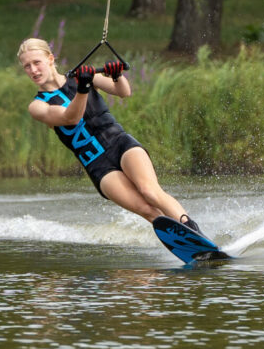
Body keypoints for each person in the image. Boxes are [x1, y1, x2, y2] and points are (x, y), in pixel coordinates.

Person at [17, 38, 207, 236]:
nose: (33, 70)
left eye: (36, 62)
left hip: (120, 143)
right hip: (97, 164)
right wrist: (83, 88)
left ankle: (196, 232)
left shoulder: (81, 77)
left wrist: (117, 76)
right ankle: (188, 245)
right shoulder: (37, 106)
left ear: (50, 59)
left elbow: (123, 92)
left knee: (150, 191)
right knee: (148, 211)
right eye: (27, 67)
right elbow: (71, 118)